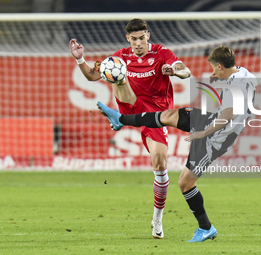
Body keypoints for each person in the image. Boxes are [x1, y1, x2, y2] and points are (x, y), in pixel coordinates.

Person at [97, 45, 257, 242]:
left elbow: (229, 114)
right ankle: (120, 119)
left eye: (214, 69)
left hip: (217, 136)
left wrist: (203, 133)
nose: (212, 72)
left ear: (220, 66)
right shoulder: (244, 73)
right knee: (168, 115)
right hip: (212, 120)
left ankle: (206, 228)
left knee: (185, 183)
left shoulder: (236, 84)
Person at [70, 18, 191, 239]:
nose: (138, 42)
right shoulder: (120, 56)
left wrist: (173, 72)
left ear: (148, 36)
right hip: (131, 104)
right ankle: (120, 117)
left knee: (160, 163)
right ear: (128, 39)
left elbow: (185, 71)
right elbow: (91, 75)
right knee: (117, 73)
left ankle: (157, 219)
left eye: (141, 38)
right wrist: (80, 60)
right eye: (133, 39)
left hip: (155, 116)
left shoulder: (162, 53)